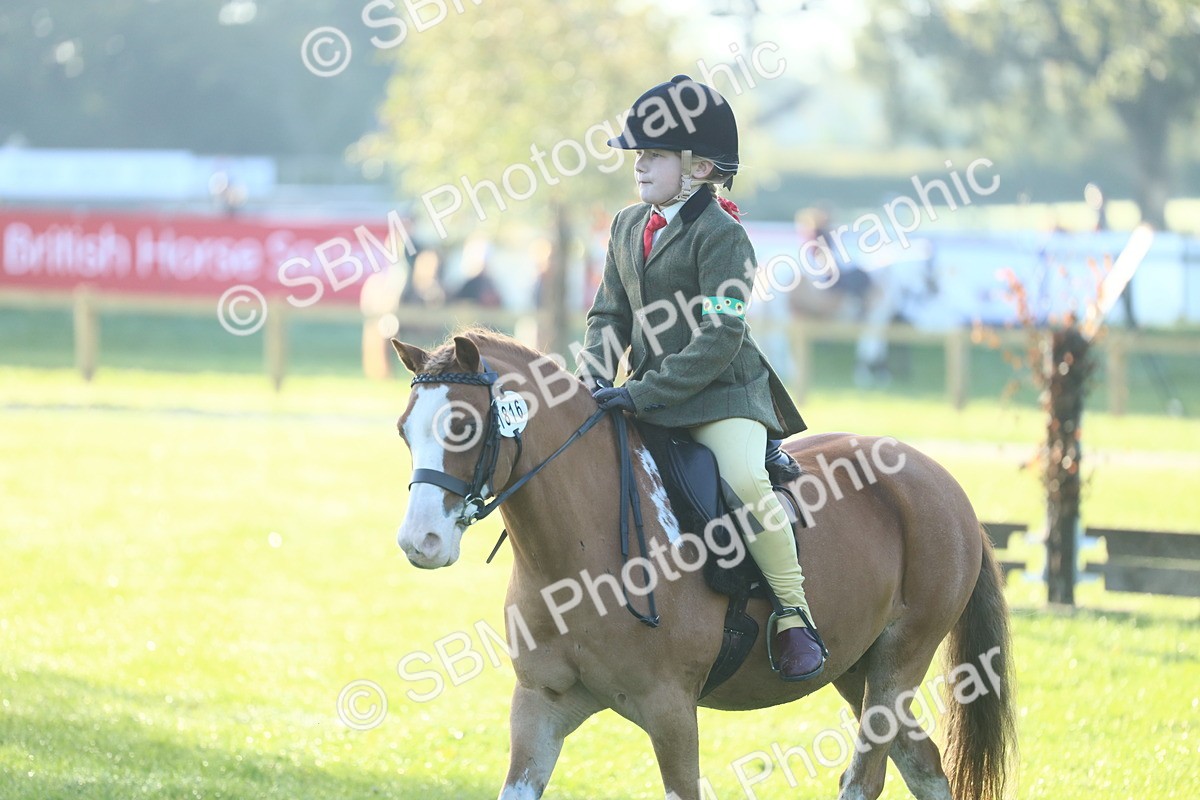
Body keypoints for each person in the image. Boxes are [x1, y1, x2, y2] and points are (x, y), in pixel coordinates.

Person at [575, 75, 825, 681]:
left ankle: (793, 612)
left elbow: (720, 337)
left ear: (700, 167)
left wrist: (638, 393)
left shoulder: (725, 236)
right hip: (642, 392)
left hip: (722, 395)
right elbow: (609, 313)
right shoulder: (628, 225)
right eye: (639, 155)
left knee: (742, 477)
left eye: (654, 155)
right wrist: (591, 382)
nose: (640, 165)